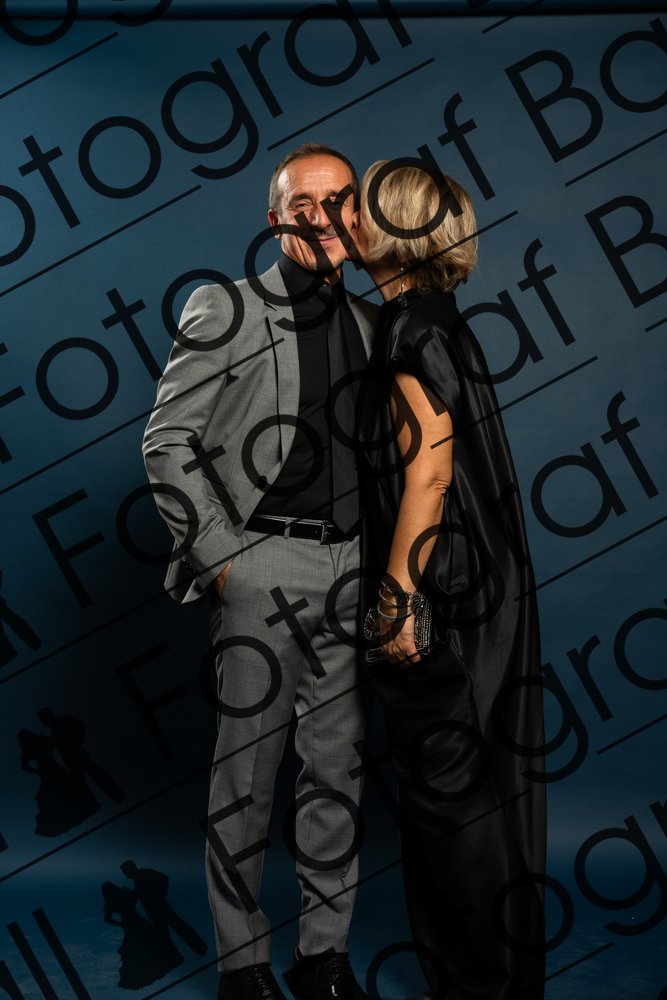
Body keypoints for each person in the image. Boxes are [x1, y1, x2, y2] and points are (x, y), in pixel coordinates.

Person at [142, 143, 377, 1000]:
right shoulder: (227, 307)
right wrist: (221, 561)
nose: (321, 217)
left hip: (352, 569)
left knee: (336, 772)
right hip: (257, 565)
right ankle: (243, 966)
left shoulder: (375, 325)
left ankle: (324, 958)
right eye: (301, 203)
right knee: (245, 775)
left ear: (358, 214)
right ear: (275, 221)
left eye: (338, 199)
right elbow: (166, 440)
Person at [353, 161, 546, 1000]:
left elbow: (428, 474)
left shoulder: (407, 331)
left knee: (448, 795)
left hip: (444, 586)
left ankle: (477, 988)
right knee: (479, 785)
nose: (345, 218)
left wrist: (397, 598)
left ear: (391, 227)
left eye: (358, 207)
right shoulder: (438, 319)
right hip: (483, 577)